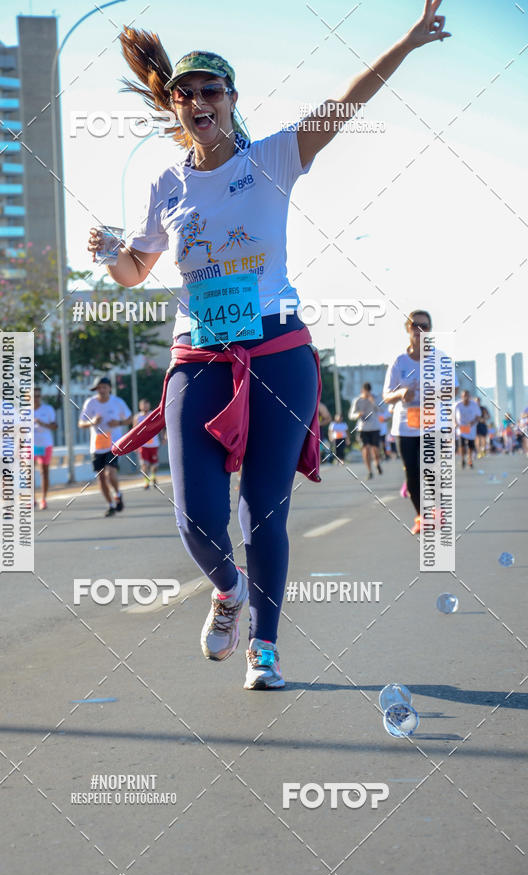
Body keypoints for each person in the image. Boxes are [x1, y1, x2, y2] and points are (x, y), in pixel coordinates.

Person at [88, 4, 451, 688]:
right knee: (194, 516)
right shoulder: (165, 184)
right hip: (198, 360)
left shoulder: (276, 157)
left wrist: (408, 40)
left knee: (262, 512)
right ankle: (228, 590)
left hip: (279, 354)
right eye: (185, 94)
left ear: (231, 100)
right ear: (175, 105)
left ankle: (265, 646)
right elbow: (136, 271)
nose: (198, 102)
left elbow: (348, 101)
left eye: (211, 91)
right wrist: (112, 253)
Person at [383, 310, 431, 534]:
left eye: (425, 326)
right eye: (415, 325)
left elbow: (454, 388)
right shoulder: (399, 361)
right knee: (412, 472)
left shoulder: (438, 359)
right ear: (408, 328)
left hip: (433, 423)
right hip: (406, 424)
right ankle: (421, 516)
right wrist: (401, 393)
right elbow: (386, 395)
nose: (420, 330)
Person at [78, 377, 131, 516]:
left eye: (104, 387)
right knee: (101, 478)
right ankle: (110, 504)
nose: (101, 390)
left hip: (113, 445)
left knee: (110, 472)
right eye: (98, 388)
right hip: (97, 446)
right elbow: (81, 423)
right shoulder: (90, 403)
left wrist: (119, 423)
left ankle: (117, 494)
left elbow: (130, 418)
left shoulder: (117, 402)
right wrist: (92, 422)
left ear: (109, 388)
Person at [349, 382, 383, 480]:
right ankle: (369, 471)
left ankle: (377, 463)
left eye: (368, 392)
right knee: (366, 449)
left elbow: (381, 411)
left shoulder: (375, 398)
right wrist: (357, 415)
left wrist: (373, 402)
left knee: (376, 450)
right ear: (362, 391)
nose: (367, 394)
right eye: (365, 392)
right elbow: (351, 415)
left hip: (375, 427)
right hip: (362, 428)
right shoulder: (357, 400)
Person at [33, 387, 57, 510]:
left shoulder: (47, 409)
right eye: (33, 396)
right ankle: (31, 498)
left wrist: (43, 424)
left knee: (44, 471)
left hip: (44, 444)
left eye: (38, 396)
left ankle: (43, 498)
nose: (36, 398)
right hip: (30, 444)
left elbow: (55, 426)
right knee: (28, 472)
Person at [134, 398, 162, 489]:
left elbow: (160, 426)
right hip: (143, 445)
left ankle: (153, 477)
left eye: (147, 404)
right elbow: (134, 431)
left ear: (149, 405)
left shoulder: (153, 415)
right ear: (140, 406)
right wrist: (134, 444)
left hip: (154, 444)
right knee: (144, 464)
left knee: (154, 464)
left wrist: (163, 437)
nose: (145, 406)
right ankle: (146, 481)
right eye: (143, 404)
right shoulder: (137, 417)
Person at [455, 390, 481, 468]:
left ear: (469, 397)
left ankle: (470, 459)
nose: (465, 397)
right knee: (462, 444)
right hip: (461, 427)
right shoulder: (458, 405)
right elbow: (451, 415)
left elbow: (478, 416)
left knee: (470, 445)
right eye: (464, 396)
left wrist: (472, 423)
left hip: (471, 427)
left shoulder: (474, 405)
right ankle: (463, 459)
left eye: (467, 396)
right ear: (461, 397)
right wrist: (455, 423)